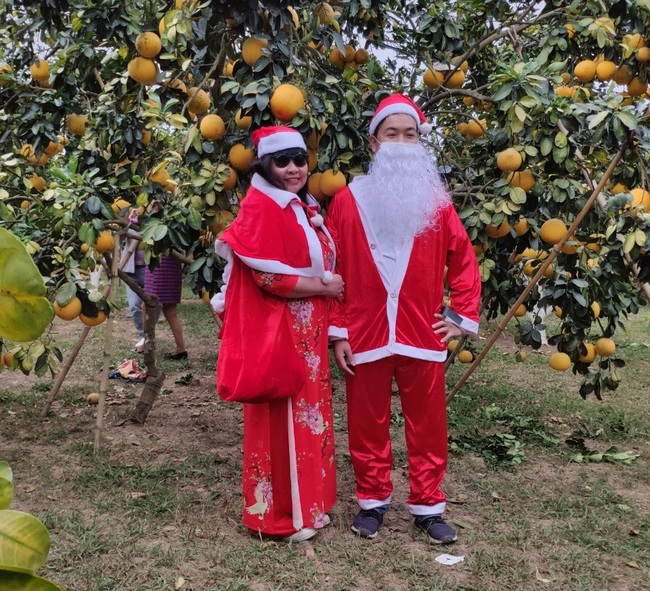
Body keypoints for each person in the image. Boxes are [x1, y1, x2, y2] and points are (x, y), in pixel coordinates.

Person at [326, 94, 481, 544]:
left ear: (420, 142)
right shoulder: (347, 200)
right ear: (374, 143)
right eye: (391, 134)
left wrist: (459, 316)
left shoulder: (437, 202)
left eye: (409, 135)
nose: (400, 142)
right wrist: (338, 332)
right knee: (366, 421)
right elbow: (332, 270)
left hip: (420, 330)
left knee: (428, 423)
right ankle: (372, 502)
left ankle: (428, 507)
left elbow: (465, 262)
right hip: (365, 330)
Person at [212, 126, 344, 541]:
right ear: (265, 165)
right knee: (280, 420)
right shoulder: (262, 207)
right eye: (282, 161)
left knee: (307, 417)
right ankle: (281, 516)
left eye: (299, 160)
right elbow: (269, 276)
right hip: (282, 333)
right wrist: (325, 287)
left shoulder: (300, 204)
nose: (293, 168)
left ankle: (309, 505)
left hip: (308, 338)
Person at [144, 253, 187, 359]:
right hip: (171, 264)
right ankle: (180, 348)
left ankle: (147, 346)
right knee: (170, 310)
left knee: (146, 305)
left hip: (158, 263)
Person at [122, 208, 146, 353]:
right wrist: (130, 221)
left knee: (151, 307)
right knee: (134, 306)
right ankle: (143, 336)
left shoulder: (154, 216)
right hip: (130, 269)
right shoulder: (126, 211)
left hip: (149, 269)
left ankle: (149, 337)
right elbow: (119, 233)